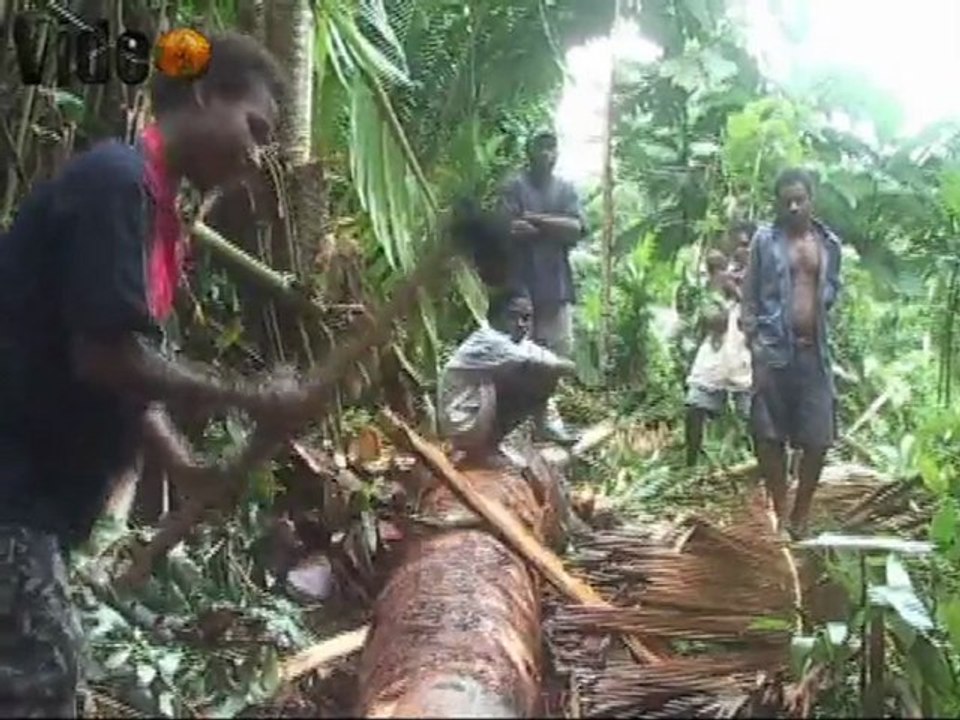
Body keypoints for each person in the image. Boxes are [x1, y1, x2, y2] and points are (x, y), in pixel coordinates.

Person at [0, 33, 311, 717]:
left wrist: (186, 465)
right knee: (43, 685)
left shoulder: (152, 212)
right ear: (204, 94)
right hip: (10, 495)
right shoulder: (117, 185)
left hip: (33, 503)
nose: (256, 157)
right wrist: (252, 394)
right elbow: (105, 356)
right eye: (254, 129)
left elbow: (123, 376)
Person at [741, 168, 842, 539]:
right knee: (769, 436)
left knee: (818, 438)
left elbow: (831, 288)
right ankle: (782, 516)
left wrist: (816, 309)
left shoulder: (828, 243)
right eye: (787, 201)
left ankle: (800, 517)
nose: (794, 206)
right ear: (778, 203)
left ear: (811, 199)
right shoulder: (765, 241)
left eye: (800, 199)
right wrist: (754, 343)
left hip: (813, 352)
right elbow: (748, 294)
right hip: (772, 350)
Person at [499, 129, 586, 444]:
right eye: (541, 147)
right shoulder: (514, 186)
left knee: (554, 359)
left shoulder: (566, 189)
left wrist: (535, 219)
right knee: (519, 359)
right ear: (529, 151)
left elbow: (575, 229)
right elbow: (509, 228)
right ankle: (513, 426)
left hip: (556, 288)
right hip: (521, 288)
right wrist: (552, 225)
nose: (548, 154)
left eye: (553, 147)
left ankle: (545, 421)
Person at [438, 288, 577, 467]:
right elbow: (551, 367)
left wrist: (555, 427)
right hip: (462, 421)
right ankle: (484, 448)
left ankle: (492, 445)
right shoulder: (488, 340)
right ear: (494, 318)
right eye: (512, 317)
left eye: (526, 318)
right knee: (533, 371)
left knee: (540, 372)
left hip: (478, 418)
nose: (521, 324)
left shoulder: (521, 345)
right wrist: (566, 367)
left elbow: (551, 369)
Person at [684, 249, 752, 466]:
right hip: (716, 354)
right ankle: (690, 464)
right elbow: (714, 321)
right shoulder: (714, 287)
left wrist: (742, 294)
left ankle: (761, 465)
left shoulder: (759, 282)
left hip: (744, 357)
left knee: (755, 417)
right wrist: (727, 290)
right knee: (694, 408)